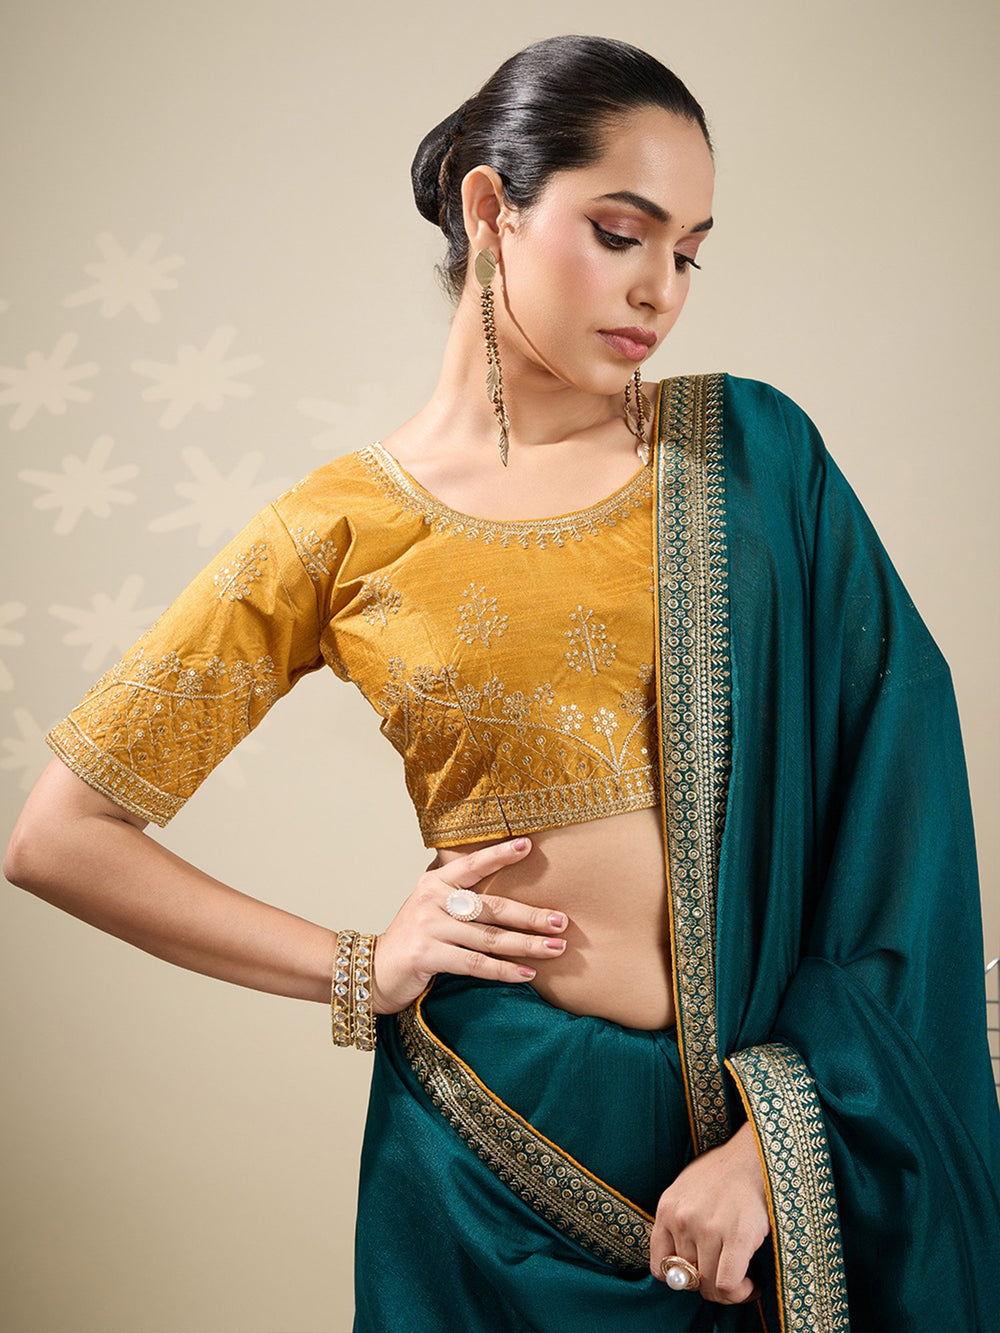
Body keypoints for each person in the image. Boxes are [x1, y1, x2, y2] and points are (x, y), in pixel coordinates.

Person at [4, 33, 999, 1333]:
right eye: (621, 233)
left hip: (758, 1146)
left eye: (688, 253)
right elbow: (57, 837)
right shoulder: (340, 528)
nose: (659, 291)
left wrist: (772, 1145)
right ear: (490, 208)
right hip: (485, 1151)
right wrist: (358, 967)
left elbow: (899, 813)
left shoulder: (756, 460)